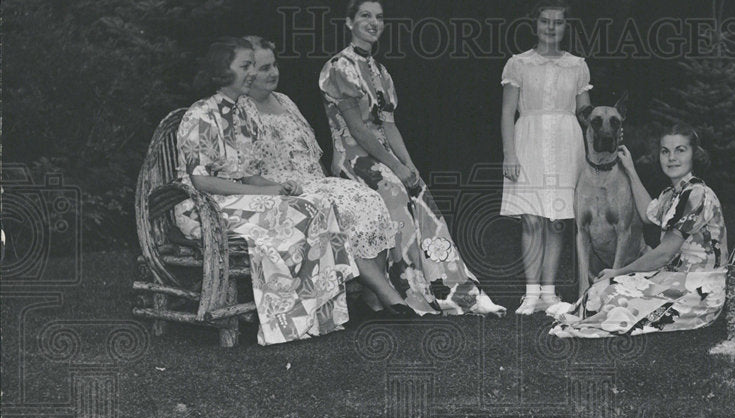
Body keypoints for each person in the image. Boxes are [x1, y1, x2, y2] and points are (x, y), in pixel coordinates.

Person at [319, 1, 505, 316]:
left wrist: (410, 166)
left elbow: (388, 127)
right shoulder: (340, 67)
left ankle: (447, 287)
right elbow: (358, 131)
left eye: (379, 17)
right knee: (394, 193)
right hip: (354, 158)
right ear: (349, 22)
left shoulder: (381, 73)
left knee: (421, 194)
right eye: (365, 16)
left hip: (382, 157)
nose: (373, 22)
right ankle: (403, 289)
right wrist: (395, 168)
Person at [175, 37, 358, 345]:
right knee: (297, 217)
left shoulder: (243, 117)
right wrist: (265, 195)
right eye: (245, 66)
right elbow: (201, 181)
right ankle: (286, 318)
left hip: (236, 200)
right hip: (202, 208)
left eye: (252, 66)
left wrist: (277, 188)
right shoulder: (201, 115)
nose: (251, 73)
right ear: (222, 72)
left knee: (316, 205)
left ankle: (316, 313)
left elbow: (248, 175)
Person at [241, 35, 415, 318]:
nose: (273, 73)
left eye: (274, 65)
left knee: (369, 199)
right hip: (279, 188)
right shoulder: (241, 109)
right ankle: (389, 296)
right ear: (247, 73)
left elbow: (308, 151)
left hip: (310, 179)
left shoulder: (284, 101)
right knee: (337, 210)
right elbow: (247, 171)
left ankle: (371, 298)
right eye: (263, 68)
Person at [549, 122, 728, 338]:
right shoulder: (674, 193)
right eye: (665, 151)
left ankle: (581, 314)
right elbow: (647, 214)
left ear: (694, 154)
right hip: (673, 279)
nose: (672, 158)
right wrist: (631, 170)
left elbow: (664, 253)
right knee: (606, 289)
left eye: (680, 150)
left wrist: (619, 271)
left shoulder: (697, 194)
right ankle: (584, 309)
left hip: (698, 292)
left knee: (617, 294)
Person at [500, 1, 591, 314]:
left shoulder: (578, 65)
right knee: (531, 219)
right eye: (545, 21)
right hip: (529, 140)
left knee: (557, 222)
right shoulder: (519, 64)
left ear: (566, 27)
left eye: (558, 22)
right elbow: (506, 112)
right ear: (535, 24)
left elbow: (585, 112)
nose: (551, 27)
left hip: (567, 143)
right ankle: (531, 293)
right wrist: (509, 153)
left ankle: (550, 293)